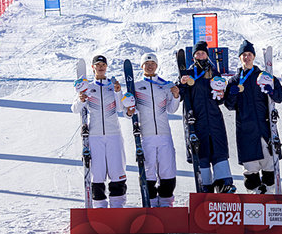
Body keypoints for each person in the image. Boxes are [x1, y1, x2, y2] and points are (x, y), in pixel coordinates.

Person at [224, 40, 282, 194]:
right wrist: (231, 94)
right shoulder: (234, 81)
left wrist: (271, 91)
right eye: (244, 55)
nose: (247, 57)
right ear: (240, 58)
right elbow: (229, 106)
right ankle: (254, 202)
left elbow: (279, 97)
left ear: (254, 57)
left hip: (264, 129)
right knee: (251, 171)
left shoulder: (264, 76)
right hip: (245, 131)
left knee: (269, 168)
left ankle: (270, 197)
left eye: (249, 54)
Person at [71, 55, 128, 208]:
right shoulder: (88, 87)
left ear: (106, 67)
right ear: (93, 67)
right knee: (97, 173)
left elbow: (120, 108)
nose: (101, 67)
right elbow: (75, 109)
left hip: (114, 134)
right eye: (98, 65)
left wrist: (117, 92)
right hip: (95, 136)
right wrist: (81, 99)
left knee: (117, 171)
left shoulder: (113, 85)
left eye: (103, 64)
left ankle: (117, 206)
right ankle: (99, 207)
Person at [179, 41, 236, 193]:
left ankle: (224, 182)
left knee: (218, 150)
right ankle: (205, 185)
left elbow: (220, 100)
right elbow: (179, 96)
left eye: (203, 53)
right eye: (197, 53)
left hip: (214, 120)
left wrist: (222, 94)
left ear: (207, 54)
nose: (200, 55)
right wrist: (182, 83)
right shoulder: (188, 73)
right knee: (201, 152)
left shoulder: (214, 73)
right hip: (197, 121)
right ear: (194, 56)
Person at [130, 53, 180, 207]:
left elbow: (172, 109)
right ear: (141, 66)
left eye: (152, 63)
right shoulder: (136, 86)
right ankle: (150, 203)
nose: (150, 66)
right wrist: (129, 110)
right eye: (146, 63)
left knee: (167, 170)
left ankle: (166, 204)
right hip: (146, 136)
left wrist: (176, 95)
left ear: (157, 65)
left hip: (164, 135)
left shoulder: (166, 85)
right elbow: (130, 111)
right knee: (149, 170)